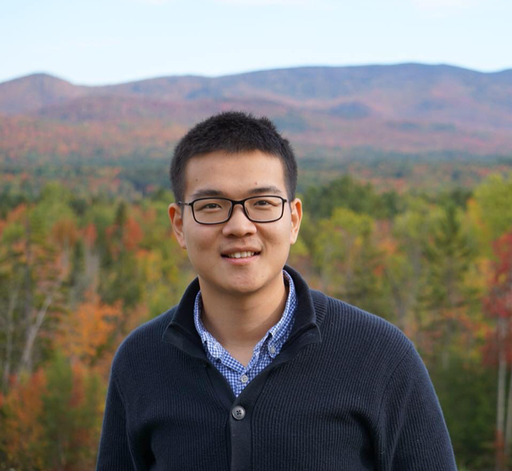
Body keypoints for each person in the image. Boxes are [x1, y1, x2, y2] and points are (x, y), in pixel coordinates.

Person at [96, 111, 457, 470]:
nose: (240, 226)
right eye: (212, 206)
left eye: (262, 204)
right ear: (179, 225)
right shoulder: (139, 361)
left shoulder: (381, 357)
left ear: (294, 220)